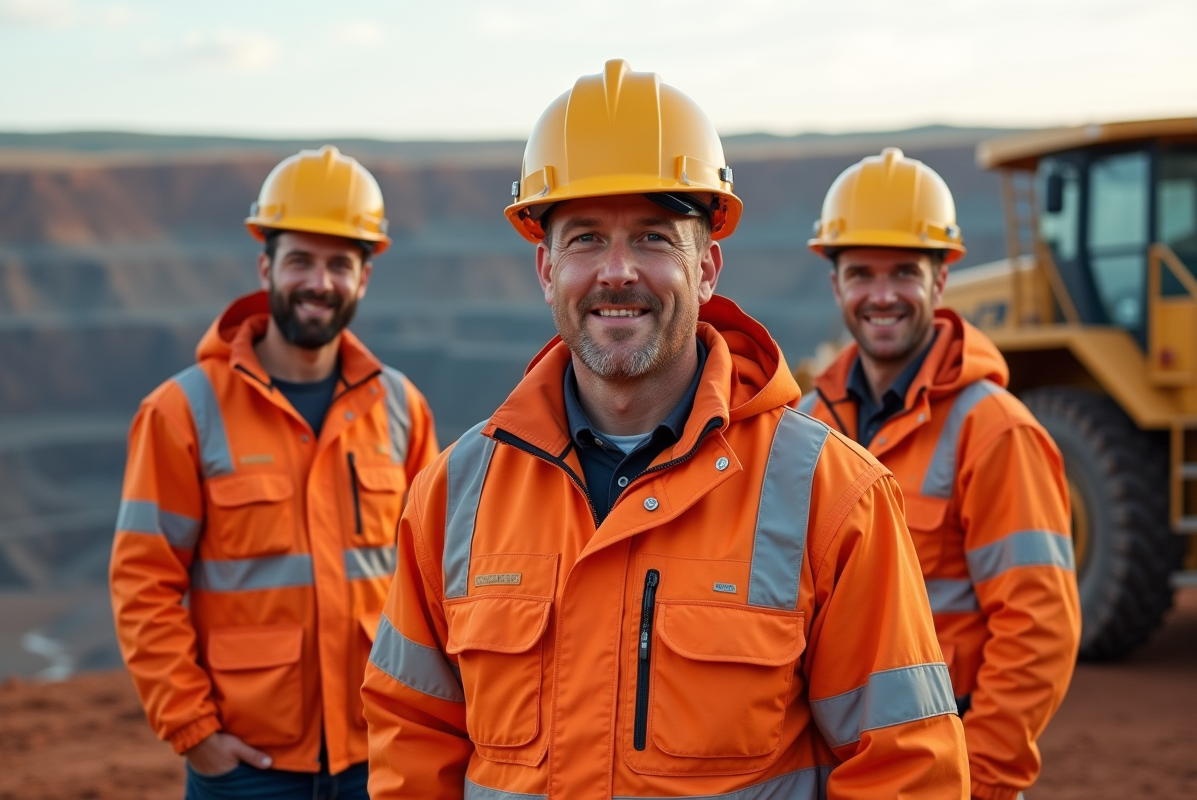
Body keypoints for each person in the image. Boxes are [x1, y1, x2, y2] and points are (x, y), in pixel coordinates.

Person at [361, 60, 968, 800]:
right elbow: (410, 738)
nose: (618, 272)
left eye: (652, 238)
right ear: (545, 268)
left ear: (706, 267)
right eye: (585, 239)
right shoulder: (453, 496)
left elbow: (906, 769)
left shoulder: (832, 495)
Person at [110, 145, 440, 800]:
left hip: (380, 755)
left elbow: (438, 580)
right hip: (247, 770)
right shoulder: (185, 411)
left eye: (339, 264)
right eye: (300, 261)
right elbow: (143, 583)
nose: (319, 282)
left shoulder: (401, 408)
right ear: (266, 266)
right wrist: (195, 735)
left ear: (364, 278)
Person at [801, 148, 1081, 800]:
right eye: (862, 273)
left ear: (939, 281)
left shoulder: (995, 429)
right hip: (831, 768)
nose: (882, 295)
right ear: (836, 282)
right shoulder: (806, 427)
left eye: (904, 271)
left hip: (946, 768)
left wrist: (976, 780)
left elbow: (1039, 629)